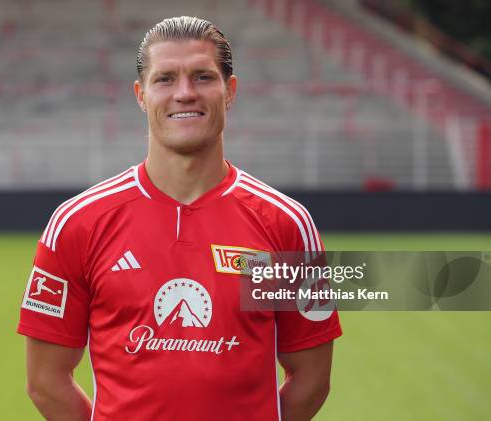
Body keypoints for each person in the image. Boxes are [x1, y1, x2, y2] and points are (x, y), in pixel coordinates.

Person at [17, 16, 342, 421]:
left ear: (230, 91)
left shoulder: (286, 224)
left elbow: (312, 379)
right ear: (141, 95)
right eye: (165, 79)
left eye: (203, 77)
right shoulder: (77, 223)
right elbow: (45, 381)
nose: (185, 93)